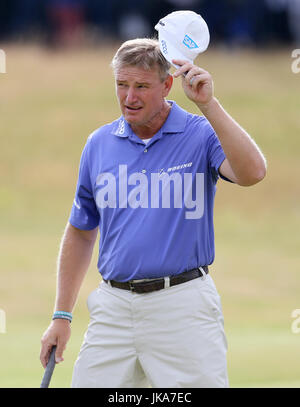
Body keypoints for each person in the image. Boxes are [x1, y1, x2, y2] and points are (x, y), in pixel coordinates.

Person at [40, 37, 266, 388]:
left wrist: (209, 105)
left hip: (183, 306)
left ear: (167, 85)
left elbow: (253, 173)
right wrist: (62, 315)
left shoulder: (199, 134)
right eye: (121, 85)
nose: (129, 97)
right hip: (113, 308)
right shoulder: (99, 144)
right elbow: (82, 231)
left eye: (141, 87)